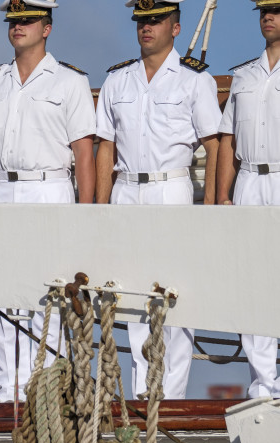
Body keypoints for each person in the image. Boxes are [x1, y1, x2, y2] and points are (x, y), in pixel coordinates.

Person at [0, 0, 96, 403]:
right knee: (2, 295)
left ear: (47, 27)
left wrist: (85, 217)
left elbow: (84, 155)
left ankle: (46, 391)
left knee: (48, 297)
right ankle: (9, 391)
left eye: (28, 20)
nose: (18, 26)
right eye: (14, 20)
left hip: (49, 188)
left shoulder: (70, 82)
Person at [96, 0, 221, 400]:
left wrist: (214, 206)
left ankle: (171, 401)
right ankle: (141, 397)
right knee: (132, 299)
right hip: (126, 190)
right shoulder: (117, 80)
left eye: (156, 20)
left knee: (174, 299)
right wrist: (97, 209)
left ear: (176, 28)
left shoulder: (193, 79)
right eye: (142, 20)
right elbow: (105, 148)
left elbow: (214, 145)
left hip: (171, 189)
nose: (147, 27)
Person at [216, 0, 280, 399]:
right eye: (263, 12)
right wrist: (222, 196)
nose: (268, 17)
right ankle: (264, 386)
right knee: (253, 284)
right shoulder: (243, 76)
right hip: (249, 180)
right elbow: (227, 141)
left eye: (276, 10)